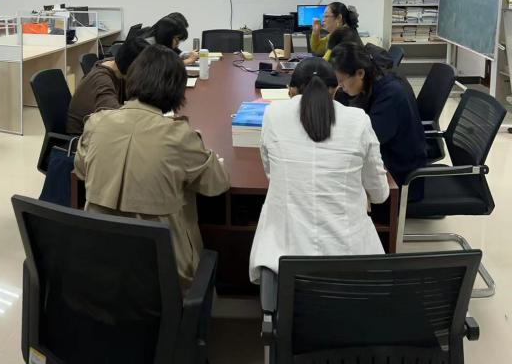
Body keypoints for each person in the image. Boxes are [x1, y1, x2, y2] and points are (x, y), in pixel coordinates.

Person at [73, 45, 230, 289]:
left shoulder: (96, 122)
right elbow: (216, 184)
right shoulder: (178, 135)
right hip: (164, 272)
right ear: (177, 91)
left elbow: (81, 171)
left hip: (97, 260)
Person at [248, 58, 390, 284]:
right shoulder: (358, 121)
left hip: (286, 264)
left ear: (291, 91)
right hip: (351, 265)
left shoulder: (273, 114)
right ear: (335, 91)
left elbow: (272, 175)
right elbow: (380, 194)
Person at [330, 42, 427, 195]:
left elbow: (367, 140)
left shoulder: (390, 94)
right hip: (386, 159)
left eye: (341, 81)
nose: (340, 86)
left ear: (360, 73)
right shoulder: (373, 80)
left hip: (400, 176)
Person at [66, 37, 149, 134]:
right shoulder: (102, 80)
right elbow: (115, 117)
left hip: (100, 130)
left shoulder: (116, 67)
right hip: (81, 137)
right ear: (132, 67)